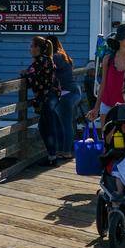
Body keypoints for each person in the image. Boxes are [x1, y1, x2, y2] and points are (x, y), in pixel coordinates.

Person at [22, 36, 60, 161]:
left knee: (46, 127)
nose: (30, 49)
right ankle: (52, 155)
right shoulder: (47, 59)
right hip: (51, 96)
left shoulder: (40, 61)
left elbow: (31, 76)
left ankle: (52, 156)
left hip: (47, 98)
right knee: (47, 126)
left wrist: (24, 74)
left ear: (38, 48)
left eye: (32, 46)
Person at [90, 24, 125, 122]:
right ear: (119, 39)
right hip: (107, 104)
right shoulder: (108, 59)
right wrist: (96, 108)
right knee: (107, 136)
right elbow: (103, 84)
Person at [46, 35, 79, 163]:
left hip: (67, 93)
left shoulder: (55, 57)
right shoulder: (63, 55)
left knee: (65, 124)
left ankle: (66, 152)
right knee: (64, 123)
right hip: (72, 91)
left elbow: (48, 71)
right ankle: (63, 150)